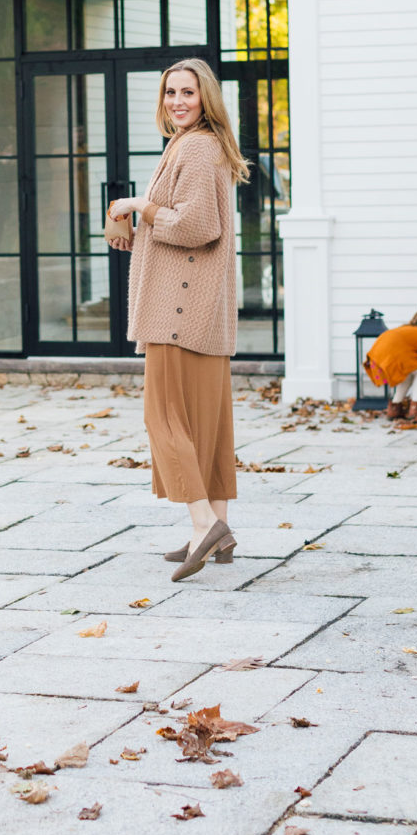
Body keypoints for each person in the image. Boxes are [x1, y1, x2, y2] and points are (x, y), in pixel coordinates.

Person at [106, 58, 250, 581]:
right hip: (201, 310)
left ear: (205, 98)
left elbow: (195, 226)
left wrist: (140, 206)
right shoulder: (202, 146)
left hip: (178, 309)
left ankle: (202, 523)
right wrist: (135, 218)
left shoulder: (194, 146)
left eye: (187, 93)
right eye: (170, 92)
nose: (177, 101)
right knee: (207, 424)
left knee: (165, 418)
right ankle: (218, 531)